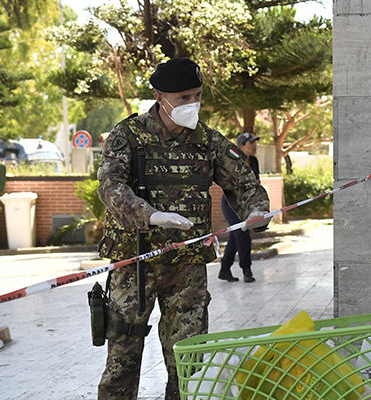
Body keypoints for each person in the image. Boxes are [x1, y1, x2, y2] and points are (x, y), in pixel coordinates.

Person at [96, 57, 271, 400]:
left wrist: (258, 212)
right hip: (136, 262)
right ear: (161, 97)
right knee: (123, 359)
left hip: (187, 265)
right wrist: (149, 215)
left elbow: (244, 184)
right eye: (184, 98)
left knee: (188, 360)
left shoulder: (209, 141)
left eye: (197, 96)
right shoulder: (127, 136)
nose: (192, 104)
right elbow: (110, 187)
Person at [217, 132, 261, 283]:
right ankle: (246, 270)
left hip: (246, 202)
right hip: (231, 203)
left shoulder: (254, 161)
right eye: (251, 143)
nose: (254, 145)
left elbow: (256, 183)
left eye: (255, 142)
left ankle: (224, 269)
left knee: (234, 236)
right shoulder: (233, 162)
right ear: (241, 147)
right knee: (242, 234)